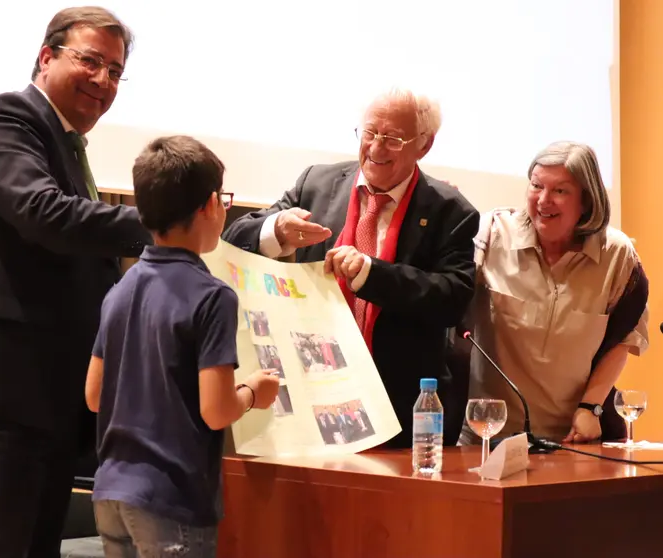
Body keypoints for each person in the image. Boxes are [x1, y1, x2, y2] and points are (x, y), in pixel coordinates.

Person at [0, 7, 151, 557]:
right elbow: (47, 215)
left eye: (116, 71)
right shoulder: (8, 118)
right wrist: (173, 221)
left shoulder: (66, 144)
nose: (104, 81)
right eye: (91, 61)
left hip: (43, 397)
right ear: (46, 56)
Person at [223, 88, 480, 447]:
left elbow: (452, 297)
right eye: (371, 133)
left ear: (424, 145)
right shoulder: (316, 184)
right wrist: (275, 230)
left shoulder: (450, 211)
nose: (375, 148)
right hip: (307, 400)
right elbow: (233, 239)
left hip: (399, 411)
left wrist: (371, 274)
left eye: (392, 139)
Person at [84, 135, 280, 557]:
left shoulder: (121, 288)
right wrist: (252, 393)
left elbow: (94, 395)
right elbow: (216, 410)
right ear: (210, 205)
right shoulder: (213, 296)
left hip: (111, 491)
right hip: (171, 500)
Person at [461, 141, 649, 445]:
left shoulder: (618, 255)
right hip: (484, 439)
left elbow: (623, 340)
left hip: (570, 442)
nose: (543, 201)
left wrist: (592, 407)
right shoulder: (491, 233)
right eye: (536, 186)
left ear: (587, 201)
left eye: (560, 191)